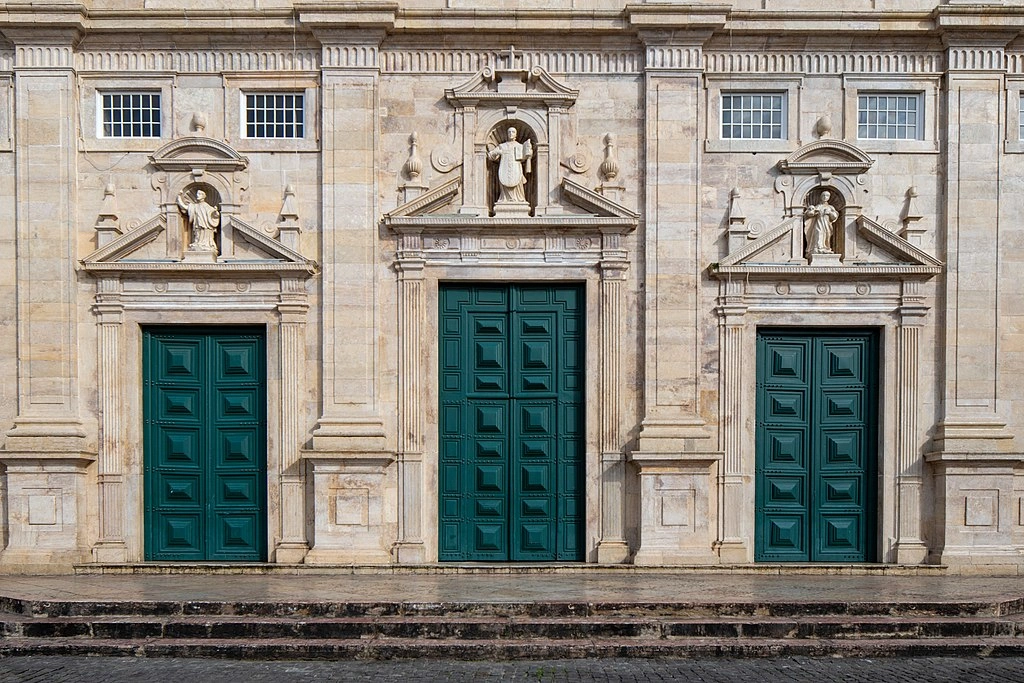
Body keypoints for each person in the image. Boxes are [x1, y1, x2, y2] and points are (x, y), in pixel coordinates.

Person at [487, 126, 533, 205]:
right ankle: (504, 199)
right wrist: (496, 152)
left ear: (516, 135)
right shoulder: (502, 146)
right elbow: (490, 156)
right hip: (504, 170)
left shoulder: (520, 146)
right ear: (507, 134)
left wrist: (529, 152)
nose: (511, 134)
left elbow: (525, 157)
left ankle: (519, 199)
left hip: (516, 169)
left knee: (518, 184)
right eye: (509, 132)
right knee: (505, 183)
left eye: (513, 132)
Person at [805, 190, 839, 255]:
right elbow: (810, 214)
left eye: (827, 195)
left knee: (827, 235)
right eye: (823, 195)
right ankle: (818, 248)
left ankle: (826, 248)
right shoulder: (818, 206)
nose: (825, 197)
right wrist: (812, 211)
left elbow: (835, 216)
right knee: (819, 233)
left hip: (827, 225)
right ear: (820, 197)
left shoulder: (830, 207)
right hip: (819, 223)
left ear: (829, 197)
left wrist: (830, 213)